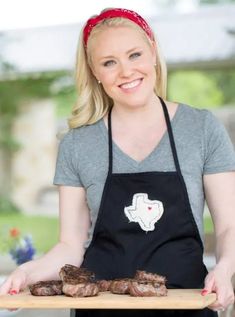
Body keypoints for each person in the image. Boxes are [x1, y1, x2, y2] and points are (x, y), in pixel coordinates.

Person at [0, 7, 235, 317]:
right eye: (109, 62)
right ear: (95, 72)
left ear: (153, 52)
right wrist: (28, 273)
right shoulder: (77, 144)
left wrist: (225, 268)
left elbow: (228, 227)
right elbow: (70, 245)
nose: (126, 71)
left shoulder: (202, 129)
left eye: (134, 55)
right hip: (101, 308)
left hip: (187, 304)